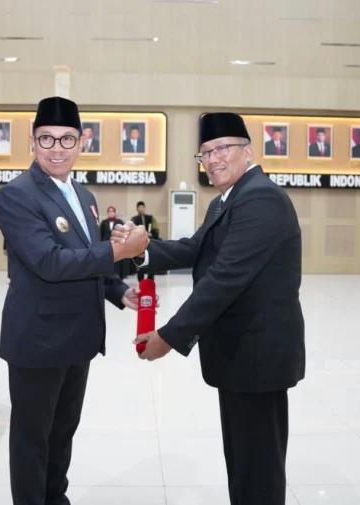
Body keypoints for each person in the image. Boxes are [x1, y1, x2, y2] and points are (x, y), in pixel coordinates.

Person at [112, 112, 305, 505]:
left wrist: (168, 337)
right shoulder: (226, 201)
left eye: (222, 149)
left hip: (258, 358)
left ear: (248, 151)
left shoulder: (261, 198)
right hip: (239, 355)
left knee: (258, 468)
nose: (213, 159)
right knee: (243, 461)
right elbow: (194, 249)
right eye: (205, 154)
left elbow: (224, 279)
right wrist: (141, 249)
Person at [0, 96, 150, 505]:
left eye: (67, 139)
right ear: (32, 142)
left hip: (77, 338)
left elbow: (86, 257)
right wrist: (119, 251)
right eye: (47, 138)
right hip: (38, 339)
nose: (57, 148)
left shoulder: (83, 195)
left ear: (82, 142)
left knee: (62, 432)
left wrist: (118, 291)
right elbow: (49, 262)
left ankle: (55, 498)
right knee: (32, 439)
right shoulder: (17, 194)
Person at [130, 201, 159, 281]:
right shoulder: (134, 219)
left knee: (151, 264)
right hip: (139, 246)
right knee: (140, 265)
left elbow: (156, 229)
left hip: (149, 244)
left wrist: (151, 234)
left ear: (145, 208)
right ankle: (141, 283)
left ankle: (150, 281)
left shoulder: (151, 218)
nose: (141, 209)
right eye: (139, 207)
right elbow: (131, 231)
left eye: (142, 207)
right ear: (137, 209)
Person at [100, 206, 126, 279]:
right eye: (109, 211)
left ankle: (118, 277)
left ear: (114, 213)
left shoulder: (119, 222)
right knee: (108, 261)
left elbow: (123, 233)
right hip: (106, 245)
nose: (111, 213)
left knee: (117, 261)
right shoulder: (104, 222)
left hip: (117, 244)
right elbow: (101, 234)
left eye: (112, 211)